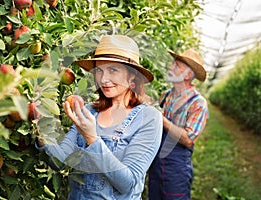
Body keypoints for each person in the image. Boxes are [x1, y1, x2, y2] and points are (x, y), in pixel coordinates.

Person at [36, 35, 163, 199]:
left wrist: (91, 138)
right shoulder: (88, 111)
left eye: (113, 70)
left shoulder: (149, 118)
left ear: (132, 75)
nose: (103, 79)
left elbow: (128, 183)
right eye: (99, 71)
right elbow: (61, 161)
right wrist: (40, 130)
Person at [148, 49, 209, 200]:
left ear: (188, 75)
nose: (170, 68)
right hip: (156, 164)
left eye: (176, 66)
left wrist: (161, 120)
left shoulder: (198, 103)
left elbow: (188, 139)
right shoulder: (166, 96)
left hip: (176, 169)